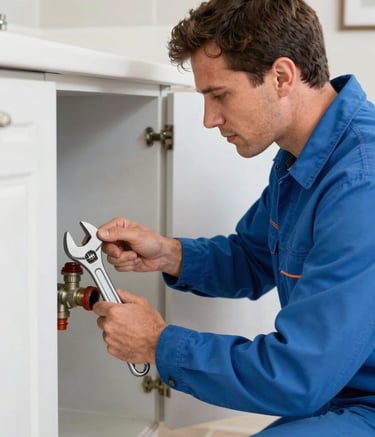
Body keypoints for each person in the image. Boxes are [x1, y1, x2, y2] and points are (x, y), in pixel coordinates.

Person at [92, 0, 375, 435]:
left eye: (219, 95)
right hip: (340, 393)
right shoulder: (302, 157)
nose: (209, 119)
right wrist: (170, 254)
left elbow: (298, 375)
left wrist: (158, 342)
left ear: (281, 76)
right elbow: (254, 255)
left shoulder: (361, 184)